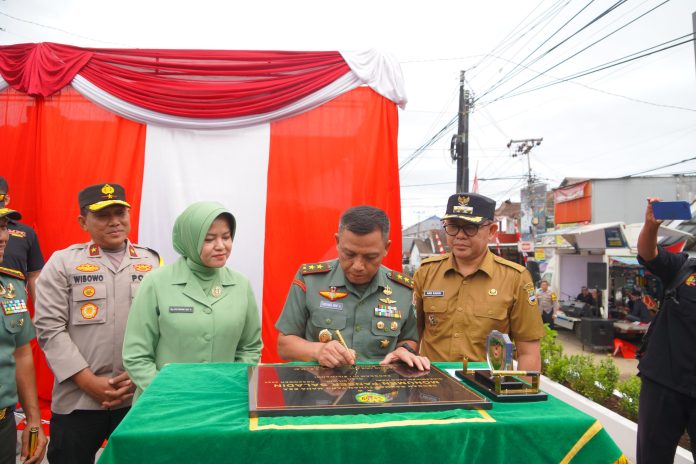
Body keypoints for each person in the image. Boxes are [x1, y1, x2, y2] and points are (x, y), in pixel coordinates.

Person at [34, 183, 161, 464]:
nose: (115, 221)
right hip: (78, 400)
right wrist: (86, 380)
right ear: (83, 222)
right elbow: (49, 328)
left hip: (135, 396)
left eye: (120, 212)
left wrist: (138, 374)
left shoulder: (152, 263)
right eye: (103, 215)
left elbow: (161, 327)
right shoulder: (63, 263)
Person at [123, 201, 263, 399]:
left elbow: (250, 347)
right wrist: (169, 393)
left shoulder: (241, 285)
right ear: (190, 240)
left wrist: (232, 386)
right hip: (164, 404)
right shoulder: (156, 283)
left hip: (222, 401)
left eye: (226, 237)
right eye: (209, 239)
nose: (221, 246)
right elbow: (136, 355)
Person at [276, 205, 429, 370]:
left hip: (378, 391)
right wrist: (318, 350)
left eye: (370, 257)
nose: (358, 266)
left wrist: (403, 350)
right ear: (337, 242)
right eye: (349, 254)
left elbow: (409, 339)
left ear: (386, 248)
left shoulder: (402, 289)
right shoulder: (310, 280)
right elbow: (284, 345)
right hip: (321, 391)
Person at [413, 193, 545, 370]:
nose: (460, 235)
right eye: (452, 226)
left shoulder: (515, 278)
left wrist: (522, 396)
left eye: (470, 227)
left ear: (491, 231)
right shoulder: (426, 272)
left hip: (488, 389)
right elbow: (411, 337)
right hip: (435, 388)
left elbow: (528, 352)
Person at [635, 197, 696, 463]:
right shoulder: (685, 268)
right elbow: (649, 255)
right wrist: (651, 226)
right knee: (652, 458)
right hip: (663, 382)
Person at [0, 205, 47, 464]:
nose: (3, 237)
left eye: (4, 227)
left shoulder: (11, 286)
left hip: (4, 426)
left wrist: (33, 421)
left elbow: (20, 354)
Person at [0, 177, 45, 302]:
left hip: (12, 309)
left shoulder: (26, 233)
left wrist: (41, 313)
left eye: (3, 227)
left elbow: (35, 274)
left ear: (6, 199)